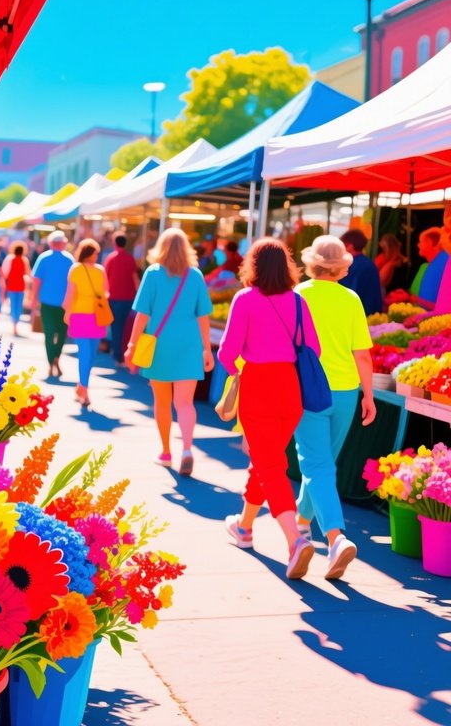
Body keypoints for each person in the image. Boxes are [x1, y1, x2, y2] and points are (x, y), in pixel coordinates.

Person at [225, 236, 376, 581]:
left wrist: (240, 372)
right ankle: (267, 527)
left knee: (291, 464)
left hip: (280, 387)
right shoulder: (328, 299)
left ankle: (312, 539)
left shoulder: (272, 296)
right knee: (295, 462)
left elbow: (232, 350)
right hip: (320, 391)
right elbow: (339, 351)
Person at [217, 238, 321, 580]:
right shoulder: (297, 301)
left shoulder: (244, 299)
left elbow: (226, 354)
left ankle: (295, 542)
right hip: (290, 388)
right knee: (266, 460)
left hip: (259, 385)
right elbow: (314, 350)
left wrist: (237, 374)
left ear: (254, 266)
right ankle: (244, 527)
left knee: (270, 464)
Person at [125, 229, 213, 475]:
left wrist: (132, 345)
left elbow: (142, 314)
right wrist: (207, 348)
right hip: (189, 345)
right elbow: (203, 316)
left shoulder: (152, 274)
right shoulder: (195, 276)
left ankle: (166, 452)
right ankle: (187, 448)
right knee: (185, 403)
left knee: (162, 402)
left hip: (159, 345)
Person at [63, 238, 110, 408]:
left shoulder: (75, 269)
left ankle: (82, 386)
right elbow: (106, 292)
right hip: (97, 316)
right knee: (90, 354)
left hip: (79, 314)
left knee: (84, 353)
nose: (97, 255)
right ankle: (84, 389)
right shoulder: (100, 270)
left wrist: (67, 311)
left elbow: (70, 294)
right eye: (96, 252)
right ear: (92, 253)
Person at [30, 231, 74, 378]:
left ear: (50, 243)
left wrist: (33, 299)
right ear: (63, 243)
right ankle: (56, 358)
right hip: (65, 304)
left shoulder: (43, 258)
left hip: (47, 303)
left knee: (49, 334)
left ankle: (50, 362)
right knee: (62, 333)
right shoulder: (70, 259)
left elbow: (36, 281)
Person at [104, 231, 139, 366]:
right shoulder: (130, 259)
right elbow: (135, 279)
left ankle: (118, 355)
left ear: (114, 243)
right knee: (127, 328)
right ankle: (124, 355)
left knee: (116, 327)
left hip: (113, 298)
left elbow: (105, 279)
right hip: (128, 298)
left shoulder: (110, 258)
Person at [339, 229, 383, 315]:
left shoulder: (350, 265)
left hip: (356, 312)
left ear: (350, 247)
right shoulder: (369, 264)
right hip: (370, 312)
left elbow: (350, 292)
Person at [409, 227, 448, 305]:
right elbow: (413, 292)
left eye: (420, 242)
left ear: (429, 242)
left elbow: (442, 305)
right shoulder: (424, 267)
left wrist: (411, 298)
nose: (418, 245)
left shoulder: (444, 268)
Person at [3, 242, 31, 336]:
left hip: (12, 285)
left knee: (13, 305)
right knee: (18, 306)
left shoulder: (10, 259)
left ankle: (14, 325)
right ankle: (16, 324)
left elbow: (5, 272)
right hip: (20, 285)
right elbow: (28, 273)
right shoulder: (24, 260)